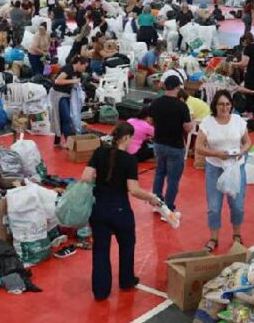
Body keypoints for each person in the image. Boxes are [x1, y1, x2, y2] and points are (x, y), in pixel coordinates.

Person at [81, 122, 163, 300]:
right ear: (126, 138)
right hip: (120, 210)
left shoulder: (99, 152)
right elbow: (133, 189)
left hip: (99, 208)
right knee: (127, 245)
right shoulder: (129, 160)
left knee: (100, 251)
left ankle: (101, 291)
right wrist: (151, 197)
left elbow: (86, 177)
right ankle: (126, 280)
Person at [197, 90, 251, 252]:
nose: (224, 107)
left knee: (238, 204)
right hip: (215, 167)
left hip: (235, 167)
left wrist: (242, 151)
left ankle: (236, 234)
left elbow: (247, 142)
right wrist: (216, 154)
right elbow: (198, 147)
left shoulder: (238, 121)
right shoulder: (207, 122)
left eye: (227, 104)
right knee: (214, 206)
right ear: (215, 105)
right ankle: (214, 237)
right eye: (221, 104)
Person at [150, 75, 192, 213]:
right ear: (177, 87)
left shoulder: (156, 103)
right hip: (175, 146)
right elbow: (187, 128)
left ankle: (157, 203)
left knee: (159, 173)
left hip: (158, 144)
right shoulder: (182, 106)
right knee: (173, 179)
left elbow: (150, 121)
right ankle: (168, 208)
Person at [50, 56, 88, 147]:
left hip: (68, 95)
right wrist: (73, 81)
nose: (85, 68)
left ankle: (57, 141)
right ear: (79, 63)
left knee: (62, 117)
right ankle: (68, 141)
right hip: (58, 94)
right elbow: (58, 81)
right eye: (84, 66)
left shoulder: (78, 73)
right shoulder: (68, 68)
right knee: (65, 117)